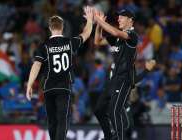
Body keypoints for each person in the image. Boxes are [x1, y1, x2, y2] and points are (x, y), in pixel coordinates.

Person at [26, 6, 93, 140]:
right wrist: (90, 20)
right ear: (62, 27)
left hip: (49, 86)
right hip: (64, 86)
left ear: (50, 28)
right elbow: (86, 34)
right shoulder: (69, 43)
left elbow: (36, 65)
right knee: (62, 118)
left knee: (52, 120)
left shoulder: (44, 46)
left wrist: (29, 84)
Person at [93, 8, 156, 140]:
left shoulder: (132, 36)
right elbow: (97, 41)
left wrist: (99, 20)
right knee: (98, 110)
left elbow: (115, 31)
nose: (118, 19)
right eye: (118, 16)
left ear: (130, 20)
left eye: (122, 17)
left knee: (113, 111)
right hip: (112, 80)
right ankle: (109, 136)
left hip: (123, 80)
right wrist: (99, 25)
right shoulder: (117, 38)